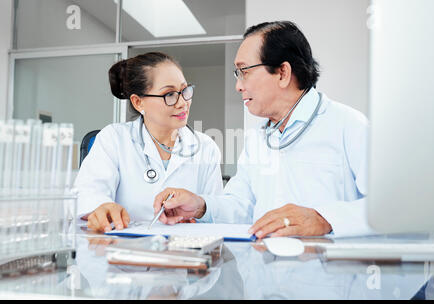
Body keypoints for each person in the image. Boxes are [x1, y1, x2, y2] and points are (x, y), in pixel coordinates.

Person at [153, 21, 374, 238]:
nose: (238, 86)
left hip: (328, 272)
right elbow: (242, 206)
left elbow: (392, 206)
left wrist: (324, 218)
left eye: (244, 71)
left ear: (282, 73)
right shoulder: (257, 138)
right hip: (263, 268)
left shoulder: (348, 125)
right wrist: (200, 206)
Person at [74, 52, 223, 233]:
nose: (183, 102)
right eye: (169, 94)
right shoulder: (114, 139)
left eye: (184, 91)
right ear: (138, 102)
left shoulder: (206, 147)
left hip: (183, 254)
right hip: (125, 252)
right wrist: (101, 207)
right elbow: (87, 195)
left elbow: (215, 211)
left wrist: (200, 216)